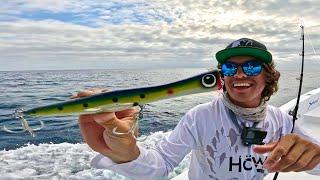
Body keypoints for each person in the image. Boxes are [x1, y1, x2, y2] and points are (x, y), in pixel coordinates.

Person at [75, 38, 320, 179]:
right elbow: (161, 166)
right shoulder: (200, 116)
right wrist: (125, 152)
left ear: (268, 76)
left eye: (253, 67)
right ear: (221, 77)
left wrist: (314, 155)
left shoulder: (283, 121)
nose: (240, 74)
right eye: (229, 68)